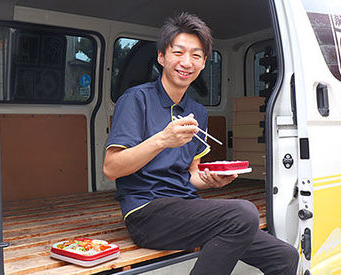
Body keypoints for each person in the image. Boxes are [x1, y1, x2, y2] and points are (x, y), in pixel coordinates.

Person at [103, 12, 299, 275]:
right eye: (178, 52)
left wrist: (211, 179)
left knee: (284, 256)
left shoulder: (197, 111)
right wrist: (162, 139)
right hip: (146, 211)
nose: (186, 62)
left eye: (196, 55)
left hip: (186, 206)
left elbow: (191, 174)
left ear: (204, 62)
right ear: (161, 57)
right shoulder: (135, 100)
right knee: (244, 213)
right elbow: (111, 168)